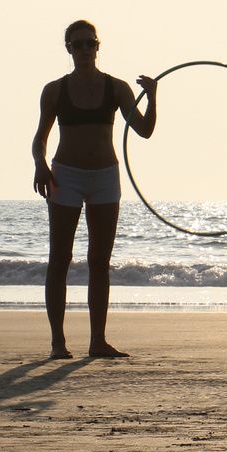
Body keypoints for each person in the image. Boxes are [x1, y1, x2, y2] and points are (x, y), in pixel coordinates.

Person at [32, 20, 156, 359]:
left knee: (100, 260)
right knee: (60, 258)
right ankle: (58, 343)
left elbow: (144, 130)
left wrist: (153, 97)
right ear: (69, 49)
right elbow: (40, 138)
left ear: (98, 47)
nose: (84, 49)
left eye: (90, 43)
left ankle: (97, 341)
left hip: (104, 176)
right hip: (65, 175)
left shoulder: (116, 88)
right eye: (78, 44)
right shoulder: (55, 90)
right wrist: (40, 164)